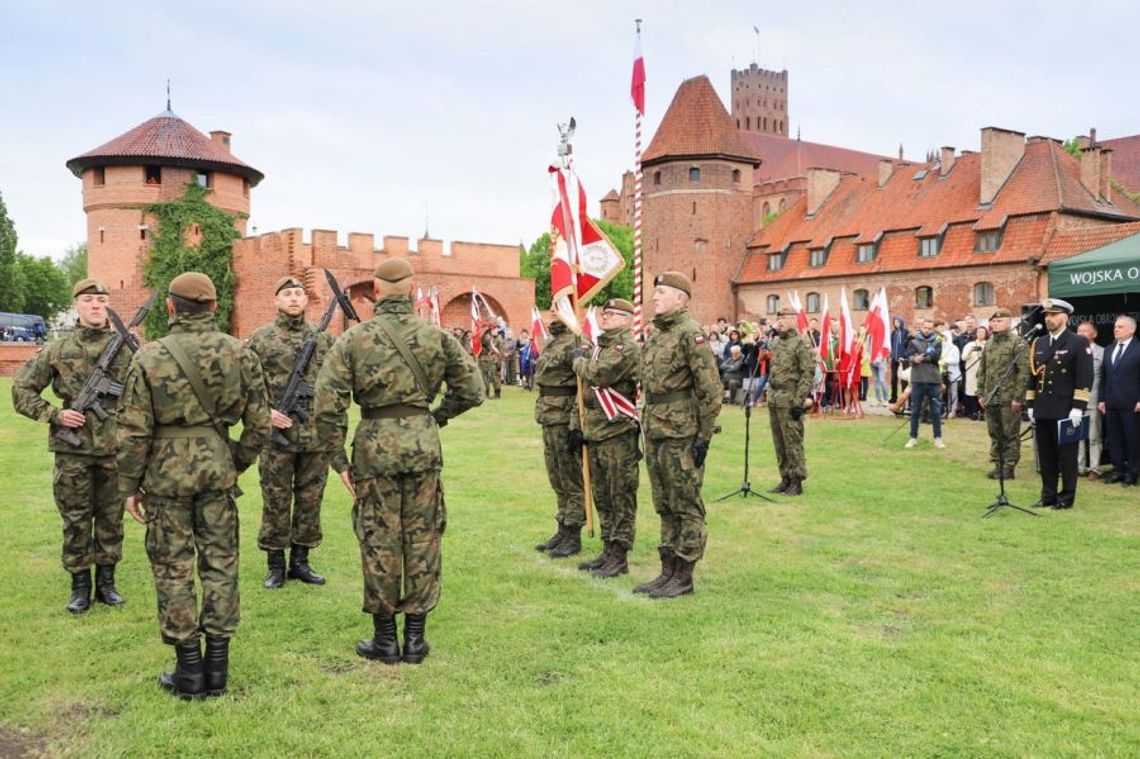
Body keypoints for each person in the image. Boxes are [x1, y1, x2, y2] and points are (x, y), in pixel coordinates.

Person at [314, 258, 483, 665]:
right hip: (423, 448)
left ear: (375, 289)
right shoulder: (435, 336)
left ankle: (386, 640)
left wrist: (337, 459)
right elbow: (473, 389)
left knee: (379, 539)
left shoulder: (354, 340)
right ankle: (416, 640)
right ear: (411, 290)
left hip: (374, 450)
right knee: (423, 538)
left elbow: (327, 405)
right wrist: (435, 416)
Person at [117, 272, 271, 699]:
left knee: (173, 568)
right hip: (217, 473)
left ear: (171, 307)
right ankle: (217, 671)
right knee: (220, 565)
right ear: (214, 307)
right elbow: (260, 423)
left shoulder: (149, 357)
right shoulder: (240, 353)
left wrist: (129, 484)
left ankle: (189, 672)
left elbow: (132, 431)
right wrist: (235, 461)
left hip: (165, 480)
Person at [12, 279, 132, 614]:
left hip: (115, 449)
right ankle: (80, 586)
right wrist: (55, 414)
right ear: (77, 305)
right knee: (76, 519)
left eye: (102, 300)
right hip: (73, 451)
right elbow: (22, 391)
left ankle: (107, 584)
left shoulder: (128, 345)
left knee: (112, 518)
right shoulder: (58, 348)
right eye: (89, 300)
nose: (97, 306)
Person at [634, 272, 722, 598]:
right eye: (654, 293)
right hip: (655, 429)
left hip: (681, 433)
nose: (654, 298)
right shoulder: (657, 335)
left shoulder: (691, 334)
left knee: (686, 505)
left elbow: (711, 391)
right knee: (665, 504)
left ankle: (684, 575)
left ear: (680, 299)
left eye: (661, 292)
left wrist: (703, 437)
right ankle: (667, 571)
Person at [246, 276, 334, 589]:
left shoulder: (324, 340)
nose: (294, 298)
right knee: (275, 499)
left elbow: (336, 383)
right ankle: (275, 565)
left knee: (311, 499)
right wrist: (263, 412)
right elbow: (241, 385)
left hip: (314, 436)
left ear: (306, 301)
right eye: (287, 294)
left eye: (298, 293)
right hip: (276, 439)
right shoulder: (260, 339)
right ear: (276, 301)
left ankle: (301, 562)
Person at [570, 298, 641, 579]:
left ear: (626, 319)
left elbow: (601, 374)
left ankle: (620, 554)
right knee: (602, 494)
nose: (605, 317)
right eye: (604, 313)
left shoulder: (626, 347)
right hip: (597, 429)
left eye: (612, 314)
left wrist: (579, 361)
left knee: (619, 494)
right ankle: (608, 549)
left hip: (617, 431)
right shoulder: (602, 346)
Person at [1025, 298, 1093, 509]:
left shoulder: (1078, 342)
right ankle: (1048, 496)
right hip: (1043, 406)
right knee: (1046, 456)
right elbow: (1032, 377)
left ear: (1065, 317)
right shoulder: (1039, 343)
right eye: (1046, 315)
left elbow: (1085, 377)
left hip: (1066, 408)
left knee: (1067, 457)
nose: (1049, 319)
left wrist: (1078, 407)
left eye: (1053, 315)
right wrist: (1030, 404)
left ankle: (1066, 498)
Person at [532, 310, 586, 558]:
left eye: (558, 309)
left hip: (564, 418)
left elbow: (582, 389)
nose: (552, 314)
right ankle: (562, 527)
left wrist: (576, 423)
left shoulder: (577, 342)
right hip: (549, 416)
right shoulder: (554, 341)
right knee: (556, 476)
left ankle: (573, 533)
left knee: (570, 476)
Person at [765, 307, 816, 496]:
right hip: (775, 398)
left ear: (794, 320)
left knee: (793, 440)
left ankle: (796, 480)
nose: (780, 322)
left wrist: (799, 401)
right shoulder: (777, 343)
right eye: (779, 318)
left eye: (785, 318)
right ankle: (784, 478)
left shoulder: (801, 343)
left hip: (790, 399)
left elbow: (807, 373)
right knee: (779, 441)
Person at [977, 308, 1027, 479]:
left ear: (1009, 323)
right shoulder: (989, 343)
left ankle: (1009, 467)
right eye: (993, 321)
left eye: (999, 321)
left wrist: (1018, 398)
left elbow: (1023, 372)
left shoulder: (1017, 342)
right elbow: (982, 369)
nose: (995, 324)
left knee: (1010, 433)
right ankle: (998, 464)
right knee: (994, 431)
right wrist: (981, 393)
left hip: (1009, 397)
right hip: (991, 395)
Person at [1099, 315, 1139, 486]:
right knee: (1114, 438)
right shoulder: (1109, 349)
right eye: (1115, 326)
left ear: (1132, 329)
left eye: (1121, 327)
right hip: (1111, 402)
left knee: (1132, 439)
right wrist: (1101, 399)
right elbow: (1104, 377)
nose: (1116, 329)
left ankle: (1132, 472)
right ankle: (1118, 470)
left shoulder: (1138, 348)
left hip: (1132, 403)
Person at [903, 318, 945, 449]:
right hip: (918, 379)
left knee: (936, 411)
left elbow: (935, 358)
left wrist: (922, 358)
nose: (927, 330)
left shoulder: (937, 341)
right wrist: (914, 358)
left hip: (933, 380)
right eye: (925, 327)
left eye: (930, 328)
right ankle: (913, 437)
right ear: (921, 328)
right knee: (915, 410)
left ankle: (938, 437)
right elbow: (907, 356)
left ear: (933, 329)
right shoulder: (913, 342)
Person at [1075, 321, 1105, 480]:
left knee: (1094, 437)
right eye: (1079, 330)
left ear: (1094, 334)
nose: (1081, 333)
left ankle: (1095, 468)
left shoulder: (1102, 352)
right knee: (1077, 436)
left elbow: (1106, 379)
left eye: (1085, 331)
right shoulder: (1071, 351)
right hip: (1075, 402)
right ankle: (1079, 467)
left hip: (1093, 401)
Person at [962, 326, 988, 420]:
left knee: (983, 391)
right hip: (972, 371)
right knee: (972, 391)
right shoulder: (970, 344)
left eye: (983, 332)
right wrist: (971, 350)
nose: (980, 334)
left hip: (984, 371)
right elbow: (963, 357)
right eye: (979, 332)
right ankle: (973, 412)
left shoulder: (988, 344)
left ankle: (982, 412)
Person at [478, 324, 502, 399]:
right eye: (493, 330)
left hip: (495, 360)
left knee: (495, 377)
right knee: (486, 377)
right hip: (488, 360)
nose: (495, 331)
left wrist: (499, 363)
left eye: (496, 330)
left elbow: (500, 351)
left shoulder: (498, 339)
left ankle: (497, 393)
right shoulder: (487, 337)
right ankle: (486, 392)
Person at [889, 317, 908, 403]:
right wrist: (891, 355)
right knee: (894, 378)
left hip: (903, 359)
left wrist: (904, 356)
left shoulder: (906, 333)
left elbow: (907, 346)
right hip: (894, 359)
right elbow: (891, 345)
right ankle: (893, 397)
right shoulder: (893, 333)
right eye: (895, 322)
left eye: (898, 322)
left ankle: (903, 397)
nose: (896, 323)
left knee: (904, 379)